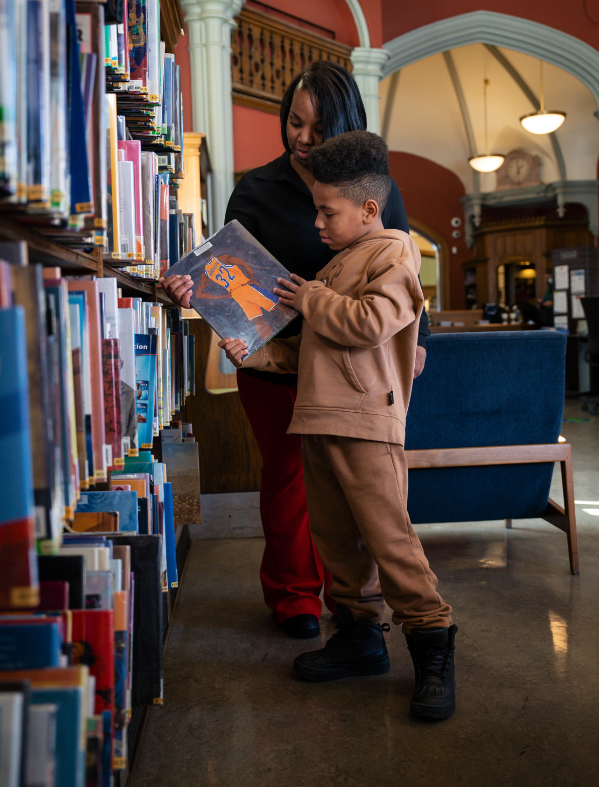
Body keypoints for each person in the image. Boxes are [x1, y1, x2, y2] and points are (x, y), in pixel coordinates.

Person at [160, 61, 430, 640]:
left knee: (351, 488)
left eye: (317, 126)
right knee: (286, 477)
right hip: (273, 357)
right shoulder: (256, 188)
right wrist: (191, 288)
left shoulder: (376, 190)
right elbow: (224, 268)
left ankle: (354, 609)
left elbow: (401, 269)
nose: (303, 139)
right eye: (293, 123)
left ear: (346, 125)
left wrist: (419, 345)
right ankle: (294, 597)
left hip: (353, 362)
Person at [219, 131, 456, 719]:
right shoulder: (335, 263)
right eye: (317, 208)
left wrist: (310, 299)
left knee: (389, 541)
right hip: (319, 418)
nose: (318, 221)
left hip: (367, 422)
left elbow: (369, 323)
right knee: (337, 544)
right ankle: (359, 639)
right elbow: (310, 352)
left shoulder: (396, 253)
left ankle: (433, 646)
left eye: (328, 211)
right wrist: (251, 353)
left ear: (369, 210)